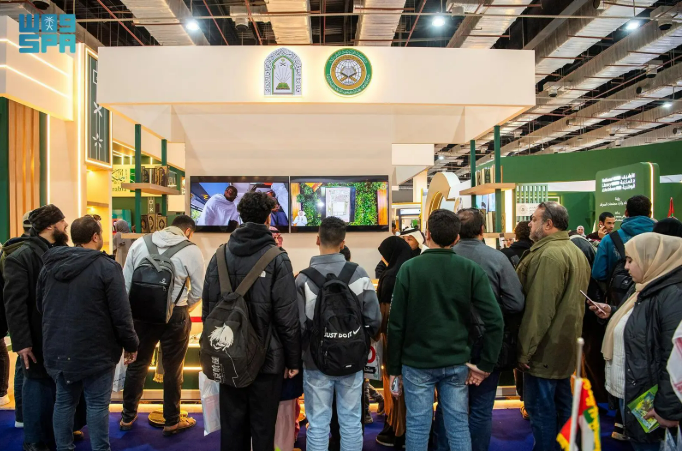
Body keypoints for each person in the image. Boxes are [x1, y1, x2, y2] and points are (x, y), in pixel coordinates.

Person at [388, 209, 504, 451]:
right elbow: (495, 321)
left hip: (416, 362)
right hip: (456, 361)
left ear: (427, 234)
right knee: (458, 426)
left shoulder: (409, 268)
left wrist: (394, 369)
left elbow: (396, 324)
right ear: (457, 237)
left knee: (417, 426)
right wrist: (486, 364)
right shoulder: (470, 269)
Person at [202, 192, 301, 451]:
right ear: (268, 218)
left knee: (232, 429)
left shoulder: (219, 255)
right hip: (267, 359)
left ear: (240, 215)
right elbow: (287, 317)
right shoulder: (278, 258)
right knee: (263, 429)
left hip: (228, 354)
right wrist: (293, 360)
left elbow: (209, 310)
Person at [37, 216, 139, 451]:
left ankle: (64, 447)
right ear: (95, 237)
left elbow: (41, 306)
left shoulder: (50, 266)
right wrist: (131, 344)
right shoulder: (107, 267)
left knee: (64, 402)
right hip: (97, 351)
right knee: (97, 405)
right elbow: (121, 313)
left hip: (58, 347)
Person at [436, 208, 524, 451]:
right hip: (487, 340)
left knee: (447, 407)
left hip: (448, 341)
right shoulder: (497, 258)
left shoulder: (442, 258)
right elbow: (516, 302)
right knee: (481, 409)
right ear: (482, 229)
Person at [590, 233, 682, 451]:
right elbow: (639, 324)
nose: (626, 267)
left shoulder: (671, 296)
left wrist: (667, 409)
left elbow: (674, 358)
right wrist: (613, 312)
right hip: (636, 393)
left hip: (651, 400)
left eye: (631, 260)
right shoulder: (643, 288)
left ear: (651, 259)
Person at [295, 217, 381, 451]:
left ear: (317, 239)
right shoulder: (359, 273)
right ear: (343, 243)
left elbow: (299, 327)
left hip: (315, 362)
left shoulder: (303, 278)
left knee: (318, 424)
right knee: (351, 421)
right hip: (352, 358)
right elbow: (374, 320)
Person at [121, 215, 206, 435]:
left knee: (137, 364)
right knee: (173, 369)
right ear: (188, 231)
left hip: (141, 315)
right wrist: (183, 308)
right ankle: (172, 421)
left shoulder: (140, 243)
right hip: (176, 315)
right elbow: (198, 290)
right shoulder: (191, 250)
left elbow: (126, 284)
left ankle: (127, 417)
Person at [516, 202, 591, 451]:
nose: (530, 223)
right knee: (561, 408)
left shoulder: (549, 256)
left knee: (542, 412)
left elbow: (540, 310)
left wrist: (525, 351)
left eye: (534, 219)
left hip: (544, 350)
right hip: (563, 346)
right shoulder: (574, 251)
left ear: (548, 224)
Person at [2, 205, 69, 451]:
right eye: (62, 221)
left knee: (54, 386)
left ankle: (53, 434)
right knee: (36, 385)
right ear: (51, 225)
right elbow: (14, 305)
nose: (66, 225)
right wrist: (22, 343)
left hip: (57, 333)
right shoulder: (21, 257)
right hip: (36, 336)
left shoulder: (58, 251)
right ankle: (34, 440)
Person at [375, 236, 414, 448]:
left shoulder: (390, 277)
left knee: (394, 383)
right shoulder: (412, 270)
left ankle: (398, 429)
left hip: (392, 340)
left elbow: (383, 315)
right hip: (412, 342)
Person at [592, 196, 655, 285]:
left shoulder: (609, 240)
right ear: (650, 214)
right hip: (655, 291)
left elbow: (598, 273)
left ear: (626, 213)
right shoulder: (662, 238)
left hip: (620, 292)